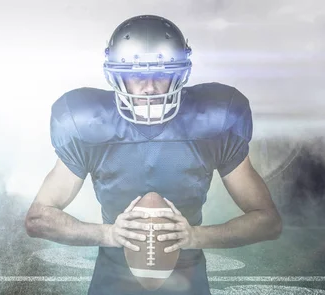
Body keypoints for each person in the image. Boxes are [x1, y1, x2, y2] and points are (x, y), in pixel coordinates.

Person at [25, 15, 282, 295]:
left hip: (188, 276)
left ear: (180, 72)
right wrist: (109, 233)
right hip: (112, 278)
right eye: (137, 74)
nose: (149, 87)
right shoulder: (88, 123)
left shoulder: (215, 119)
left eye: (161, 73)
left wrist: (195, 237)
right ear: (116, 75)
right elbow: (38, 218)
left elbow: (267, 221)